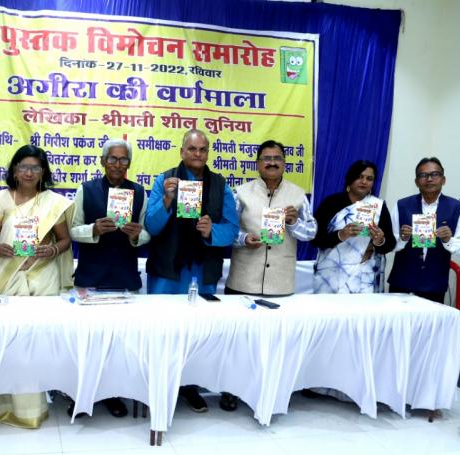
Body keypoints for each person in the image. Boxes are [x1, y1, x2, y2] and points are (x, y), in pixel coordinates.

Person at [0, 145, 74, 430]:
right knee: (6, 342)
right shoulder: (1, 199)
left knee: (33, 344)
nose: (29, 172)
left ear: (43, 172)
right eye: (23, 166)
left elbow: (65, 240)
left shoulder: (52, 203)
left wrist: (53, 251)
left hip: (42, 277)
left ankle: (32, 409)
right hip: (6, 278)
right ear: (15, 170)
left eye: (35, 167)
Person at [145, 129, 239, 412]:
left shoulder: (220, 185)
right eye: (192, 149)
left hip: (202, 270)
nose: (198, 155)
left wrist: (213, 231)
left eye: (203, 150)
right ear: (182, 151)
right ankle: (159, 385)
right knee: (163, 329)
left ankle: (190, 386)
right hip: (167, 271)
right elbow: (151, 225)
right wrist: (167, 201)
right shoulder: (165, 180)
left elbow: (232, 229)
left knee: (198, 334)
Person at [221, 139, 317, 411]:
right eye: (266, 158)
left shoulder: (298, 196)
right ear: (258, 163)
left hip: (280, 284)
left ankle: (271, 391)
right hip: (243, 281)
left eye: (277, 158)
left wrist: (293, 222)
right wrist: (243, 239)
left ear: (285, 163)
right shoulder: (240, 193)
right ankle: (232, 390)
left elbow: (311, 234)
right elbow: (228, 231)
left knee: (275, 345)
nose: (272, 162)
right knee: (239, 343)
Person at [69, 139, 150, 418]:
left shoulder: (139, 192)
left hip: (124, 276)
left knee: (120, 344)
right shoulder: (86, 189)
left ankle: (113, 395)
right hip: (90, 276)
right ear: (102, 161)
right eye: (112, 159)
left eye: (123, 160)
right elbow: (72, 230)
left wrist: (136, 234)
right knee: (87, 343)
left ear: (129, 163)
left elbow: (147, 234)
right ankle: (82, 394)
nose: (117, 165)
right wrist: (93, 229)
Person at [388, 157, 460, 302]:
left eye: (434, 174)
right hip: (401, 282)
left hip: (434, 285)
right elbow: (390, 243)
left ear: (443, 180)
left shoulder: (457, 207)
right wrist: (402, 238)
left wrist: (447, 240)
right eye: (423, 175)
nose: (429, 179)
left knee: (430, 325)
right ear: (416, 181)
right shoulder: (402, 205)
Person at [313, 160, 395, 293]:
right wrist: (341, 235)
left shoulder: (378, 206)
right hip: (332, 276)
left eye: (369, 178)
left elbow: (390, 244)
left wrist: (379, 241)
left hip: (365, 277)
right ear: (350, 179)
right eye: (359, 176)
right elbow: (315, 239)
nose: (364, 181)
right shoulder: (331, 203)